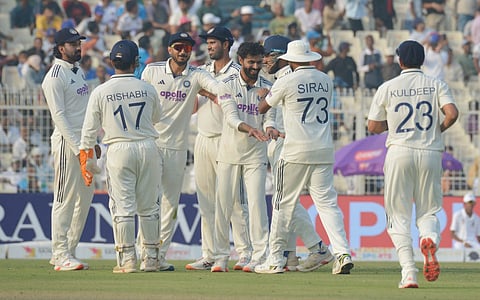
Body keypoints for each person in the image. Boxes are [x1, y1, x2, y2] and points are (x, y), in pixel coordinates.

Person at [254, 40, 353, 275]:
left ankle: (275, 259)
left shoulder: (286, 80)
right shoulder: (325, 79)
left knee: (282, 203)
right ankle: (342, 253)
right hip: (323, 149)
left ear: (289, 59)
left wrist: (264, 94)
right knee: (328, 205)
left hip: (295, 149)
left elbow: (262, 108)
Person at [367, 40, 459, 288]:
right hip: (429, 152)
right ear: (422, 60)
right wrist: (437, 130)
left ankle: (408, 272)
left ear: (400, 61)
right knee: (428, 211)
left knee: (397, 215)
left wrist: (393, 124)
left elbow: (373, 127)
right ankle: (428, 238)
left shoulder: (388, 86)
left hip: (399, 152)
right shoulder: (436, 83)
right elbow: (452, 113)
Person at [141, 32, 230, 271]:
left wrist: (223, 93)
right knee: (149, 203)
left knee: (170, 205)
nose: (183, 51)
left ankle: (157, 256)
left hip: (177, 150)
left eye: (188, 48)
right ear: (169, 49)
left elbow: (217, 87)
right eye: (179, 47)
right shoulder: (151, 71)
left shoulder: (197, 74)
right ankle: (144, 253)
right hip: (151, 145)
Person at [79, 39, 162, 273]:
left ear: (111, 62)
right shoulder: (147, 88)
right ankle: (152, 259)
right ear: (135, 62)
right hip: (147, 146)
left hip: (118, 149)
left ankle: (127, 260)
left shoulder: (101, 91)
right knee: (149, 207)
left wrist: (88, 160)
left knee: (123, 207)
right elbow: (156, 117)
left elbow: (88, 131)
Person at [185, 26, 252, 271]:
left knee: (233, 201)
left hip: (228, 139)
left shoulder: (238, 73)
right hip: (203, 138)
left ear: (227, 44)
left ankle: (245, 253)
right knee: (206, 201)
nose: (209, 46)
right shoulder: (201, 71)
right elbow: (192, 108)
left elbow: (235, 105)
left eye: (214, 42)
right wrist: (194, 90)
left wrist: (208, 91)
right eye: (208, 42)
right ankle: (210, 254)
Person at [211, 42, 274, 273]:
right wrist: (250, 129)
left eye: (259, 62)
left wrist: (270, 128)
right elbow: (230, 117)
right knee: (223, 205)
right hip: (228, 152)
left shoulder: (268, 86)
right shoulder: (225, 84)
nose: (256, 66)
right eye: (251, 62)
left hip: (256, 154)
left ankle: (259, 256)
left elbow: (270, 116)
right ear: (241, 60)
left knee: (257, 204)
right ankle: (220, 257)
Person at [41, 27, 95, 271]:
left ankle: (69, 250)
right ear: (61, 48)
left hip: (85, 143)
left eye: (79, 42)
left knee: (85, 198)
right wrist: (78, 148)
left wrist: (92, 143)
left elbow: (84, 112)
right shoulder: (53, 77)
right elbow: (60, 118)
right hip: (67, 144)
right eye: (73, 44)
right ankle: (59, 253)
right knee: (64, 199)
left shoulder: (78, 71)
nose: (78, 47)